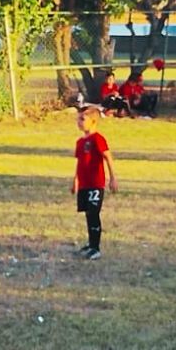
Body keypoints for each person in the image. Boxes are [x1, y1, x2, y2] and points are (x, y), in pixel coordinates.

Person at [73, 106, 118, 260]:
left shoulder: (98, 139)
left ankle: (96, 248)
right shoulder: (80, 142)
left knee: (94, 213)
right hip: (84, 184)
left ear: (93, 122)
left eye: (82, 119)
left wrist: (113, 178)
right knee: (88, 214)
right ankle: (90, 244)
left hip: (95, 184)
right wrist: (75, 181)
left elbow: (108, 157)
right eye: (78, 118)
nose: (78, 122)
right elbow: (79, 163)